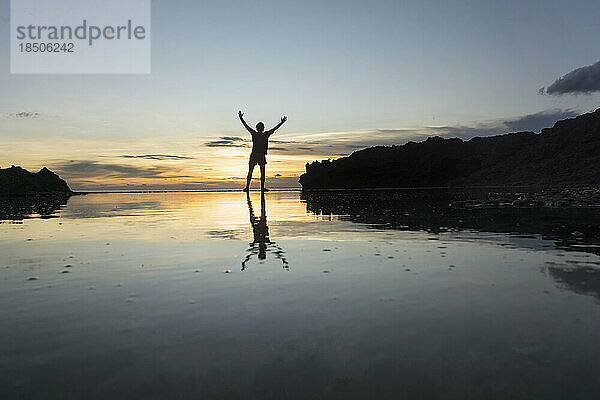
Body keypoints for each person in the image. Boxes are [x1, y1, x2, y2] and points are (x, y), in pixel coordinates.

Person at [238, 110, 287, 192]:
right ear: (257, 128)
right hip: (255, 155)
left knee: (261, 172)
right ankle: (248, 187)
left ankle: (260, 187)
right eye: (260, 127)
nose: (261, 128)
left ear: (262, 128)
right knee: (251, 172)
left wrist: (282, 122)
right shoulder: (256, 133)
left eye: (261, 127)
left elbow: (275, 128)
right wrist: (241, 118)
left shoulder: (264, 134)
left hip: (260, 155)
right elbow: (246, 126)